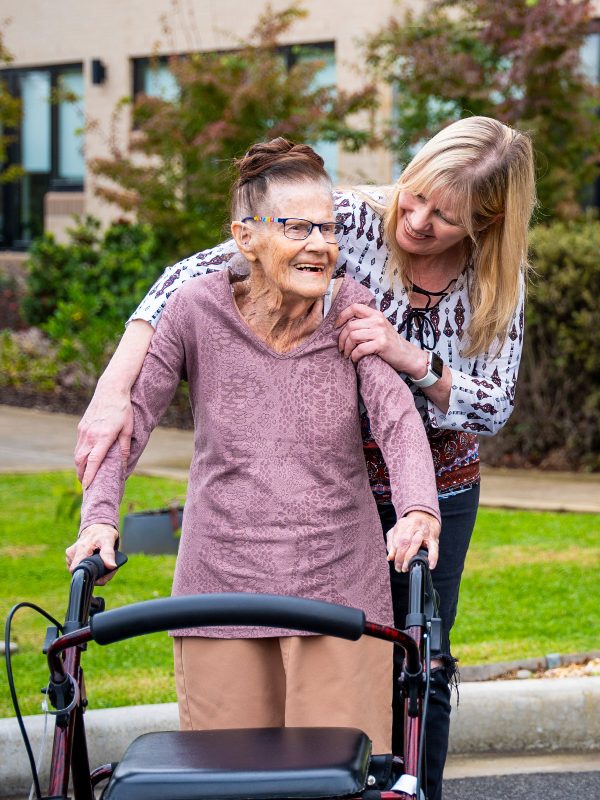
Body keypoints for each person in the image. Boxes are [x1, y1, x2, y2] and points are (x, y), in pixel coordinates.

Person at [73, 116, 536, 799]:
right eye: (415, 197)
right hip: (300, 499)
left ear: (483, 224)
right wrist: (112, 402)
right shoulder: (342, 217)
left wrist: (416, 496)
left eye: (444, 216)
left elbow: (459, 412)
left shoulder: (480, 284)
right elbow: (183, 282)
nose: (417, 219)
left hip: (431, 487)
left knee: (423, 664)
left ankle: (418, 788)